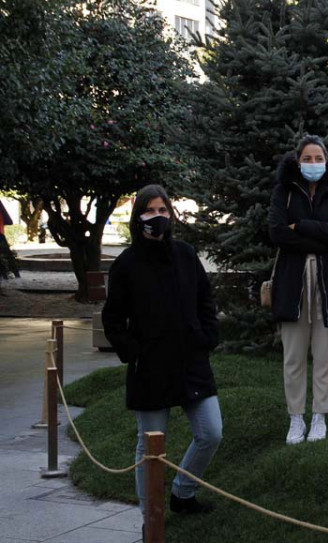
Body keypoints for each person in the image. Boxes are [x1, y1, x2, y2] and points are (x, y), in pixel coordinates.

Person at [102, 184, 222, 517]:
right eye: (151, 211)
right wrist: (133, 350)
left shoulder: (185, 253)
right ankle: (150, 517)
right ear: (138, 217)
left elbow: (205, 300)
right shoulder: (126, 264)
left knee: (211, 432)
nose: (158, 217)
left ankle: (183, 494)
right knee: (152, 445)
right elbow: (112, 318)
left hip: (191, 360)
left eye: (163, 210)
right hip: (151, 367)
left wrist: (207, 335)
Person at [268, 135, 328, 445]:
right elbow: (277, 231)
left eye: (319, 158)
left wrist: (300, 226)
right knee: (293, 356)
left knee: (324, 354)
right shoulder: (285, 191)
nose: (313, 164)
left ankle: (319, 416)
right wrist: (322, 232)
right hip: (292, 280)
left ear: (327, 161)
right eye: (308, 158)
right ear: (298, 161)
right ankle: (296, 418)